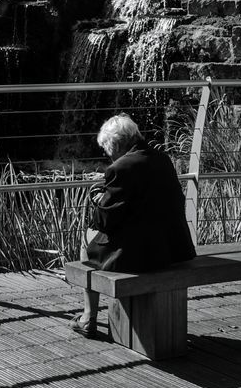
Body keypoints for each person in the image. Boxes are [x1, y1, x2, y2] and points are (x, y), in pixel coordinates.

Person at [72, 113, 195, 339]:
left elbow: (105, 221)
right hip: (171, 249)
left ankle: (88, 317)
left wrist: (99, 200)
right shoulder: (162, 159)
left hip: (138, 255)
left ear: (117, 144)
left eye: (107, 149)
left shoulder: (121, 168)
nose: (108, 156)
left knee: (87, 238)